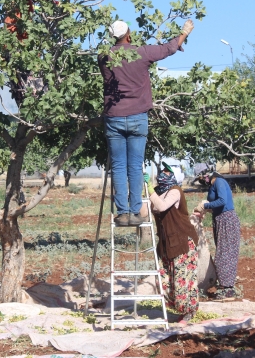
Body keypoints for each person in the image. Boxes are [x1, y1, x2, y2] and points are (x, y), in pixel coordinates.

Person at [98, 19, 194, 226]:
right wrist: (184, 32)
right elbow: (168, 48)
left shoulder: (103, 57)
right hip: (137, 117)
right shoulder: (142, 52)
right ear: (129, 35)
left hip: (113, 117)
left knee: (118, 166)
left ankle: (123, 213)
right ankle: (135, 211)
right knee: (134, 166)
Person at [146, 162, 199, 321]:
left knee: (183, 278)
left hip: (182, 241)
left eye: (167, 171)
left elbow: (161, 206)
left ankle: (188, 312)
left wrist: (149, 189)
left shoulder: (175, 191)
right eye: (163, 170)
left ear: (174, 175)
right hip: (166, 242)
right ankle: (179, 310)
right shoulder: (157, 192)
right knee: (165, 278)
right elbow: (145, 210)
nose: (162, 173)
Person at [194, 171, 240, 299]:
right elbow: (216, 204)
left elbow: (222, 201)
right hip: (220, 219)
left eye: (202, 177)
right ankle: (225, 285)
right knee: (223, 251)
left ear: (208, 176)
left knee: (225, 253)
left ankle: (228, 288)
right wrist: (205, 209)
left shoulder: (219, 182)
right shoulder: (213, 185)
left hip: (226, 219)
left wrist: (205, 205)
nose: (202, 180)